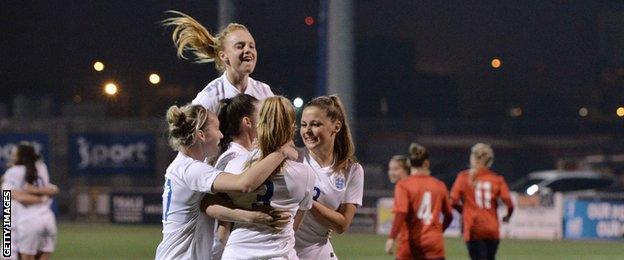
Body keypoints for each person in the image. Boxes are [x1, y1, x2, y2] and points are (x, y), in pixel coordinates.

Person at [154, 103, 297, 260]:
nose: (222, 135)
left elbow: (207, 204)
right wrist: (280, 152)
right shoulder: (191, 170)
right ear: (201, 135)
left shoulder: (185, 166)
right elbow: (244, 184)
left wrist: (252, 217)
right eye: (217, 129)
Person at [220, 96, 316, 259]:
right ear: (292, 127)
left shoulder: (234, 165)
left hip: (238, 253)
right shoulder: (305, 174)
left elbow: (221, 230)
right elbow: (293, 226)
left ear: (259, 125)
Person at [162, 10, 274, 113]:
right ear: (223, 55)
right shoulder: (209, 97)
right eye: (240, 46)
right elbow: (191, 133)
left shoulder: (264, 92)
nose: (248, 50)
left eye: (252, 46)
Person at [294, 95, 364, 259]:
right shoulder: (293, 158)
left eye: (315, 124)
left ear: (336, 127)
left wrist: (307, 200)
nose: (307, 131)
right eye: (304, 125)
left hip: (317, 250)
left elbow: (342, 224)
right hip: (283, 250)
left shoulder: (352, 170)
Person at [209, 94, 260, 259]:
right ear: (247, 122)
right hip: (228, 251)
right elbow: (222, 226)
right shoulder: (232, 159)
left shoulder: (245, 155)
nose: (267, 121)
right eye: (262, 115)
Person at [385, 143, 453, 260]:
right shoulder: (439, 185)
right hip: (434, 244)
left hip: (410, 244)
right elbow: (449, 215)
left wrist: (391, 238)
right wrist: (438, 231)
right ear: (426, 163)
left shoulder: (403, 185)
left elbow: (401, 213)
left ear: (410, 164)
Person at [450, 143, 514, 260]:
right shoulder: (497, 179)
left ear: (472, 158)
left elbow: (452, 201)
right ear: (490, 161)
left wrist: (464, 211)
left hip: (473, 228)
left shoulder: (463, 177)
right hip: (492, 229)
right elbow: (509, 203)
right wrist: (508, 216)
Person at [2, 142, 59, 260]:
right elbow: (54, 190)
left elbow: (13, 202)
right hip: (47, 219)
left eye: (14, 155)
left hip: (18, 227)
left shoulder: (12, 175)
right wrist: (43, 197)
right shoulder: (41, 168)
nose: (11, 157)